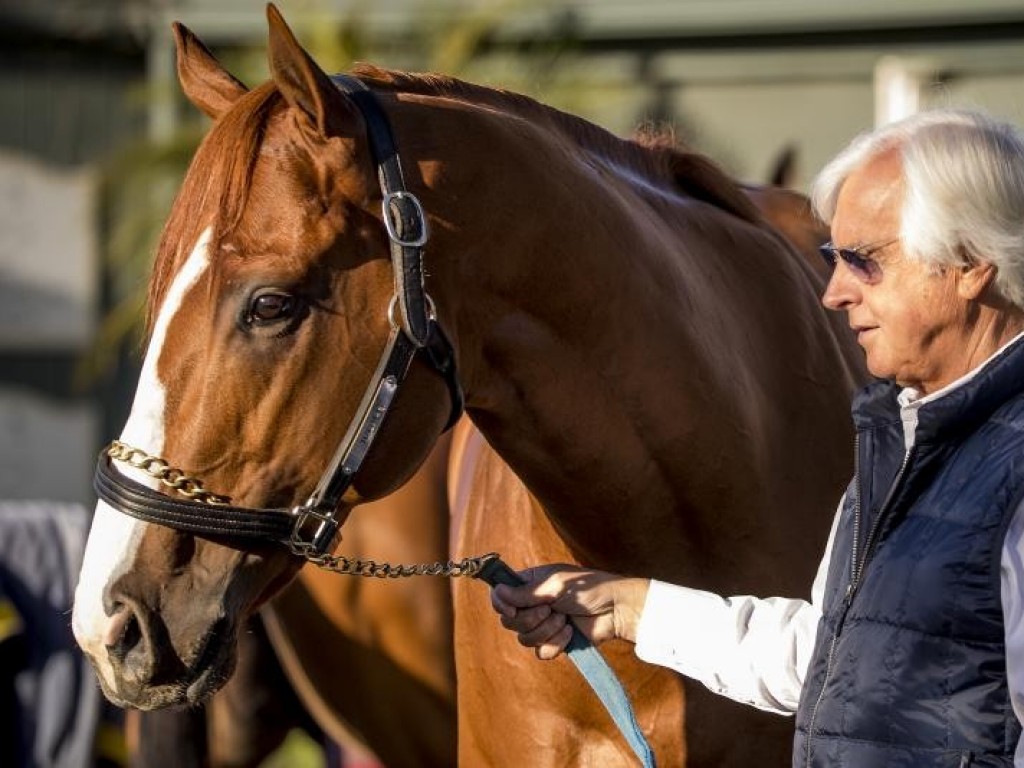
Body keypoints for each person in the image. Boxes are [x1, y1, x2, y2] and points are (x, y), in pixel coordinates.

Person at [490, 108, 1024, 766]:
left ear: (970, 264)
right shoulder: (902, 438)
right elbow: (828, 660)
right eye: (833, 258)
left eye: (865, 262)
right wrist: (629, 608)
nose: (833, 293)